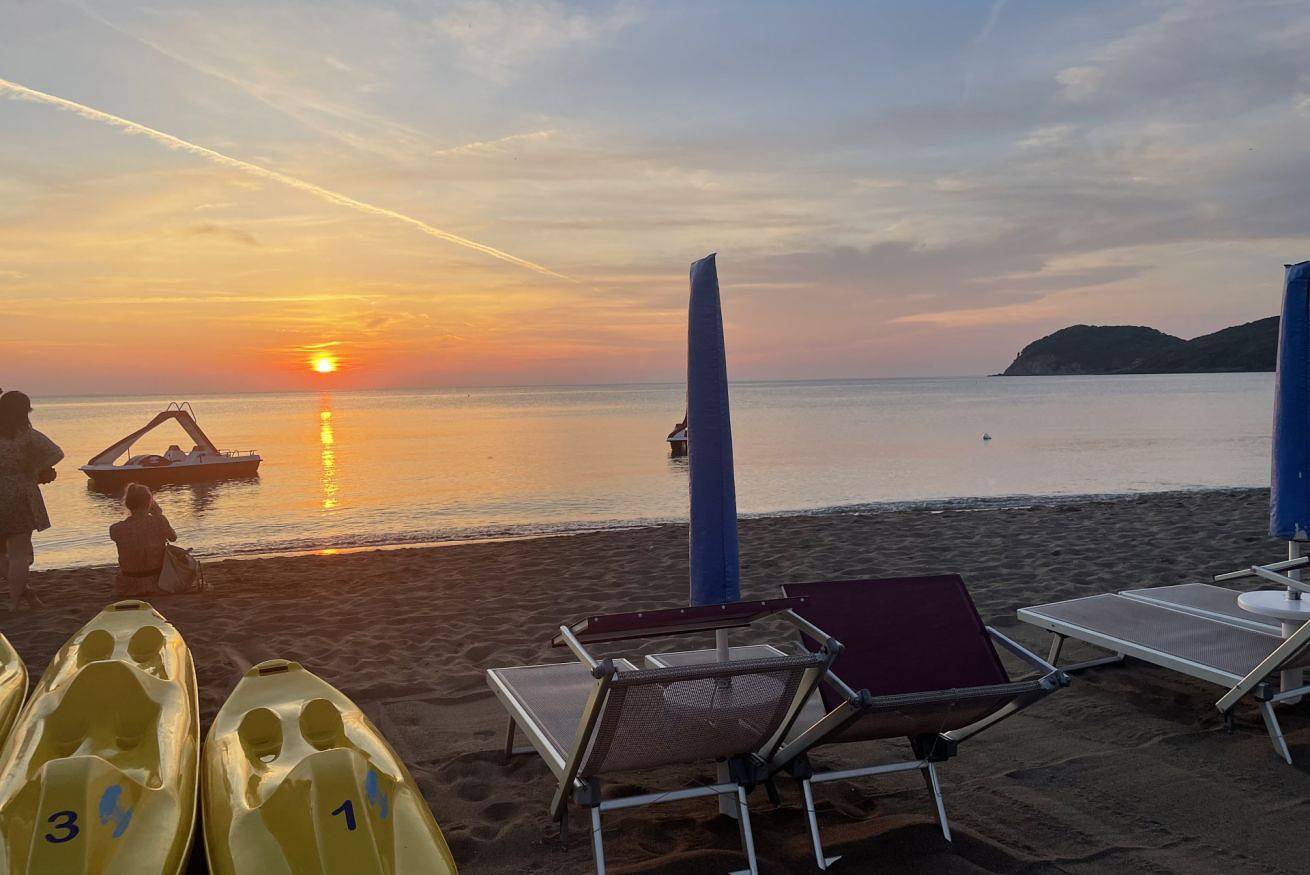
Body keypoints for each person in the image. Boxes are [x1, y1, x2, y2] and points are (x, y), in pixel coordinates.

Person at [0, 391, 64, 611]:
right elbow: (57, 453)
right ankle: (15, 602)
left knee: (4, 553)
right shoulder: (26, 434)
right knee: (19, 553)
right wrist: (36, 468)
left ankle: (22, 595)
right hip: (21, 493)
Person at [109, 483, 177, 596]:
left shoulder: (116, 529)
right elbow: (173, 538)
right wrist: (159, 514)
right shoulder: (159, 522)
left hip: (128, 582)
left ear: (128, 504)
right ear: (149, 503)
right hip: (157, 580)